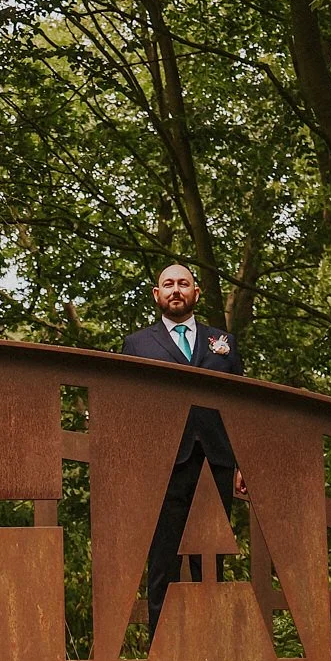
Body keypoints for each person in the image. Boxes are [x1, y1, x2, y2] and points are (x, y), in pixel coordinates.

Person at [120, 264, 245, 635]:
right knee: (163, 561)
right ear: (157, 294)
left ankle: (211, 646)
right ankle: (162, 649)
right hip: (162, 466)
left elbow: (241, 406)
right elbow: (128, 411)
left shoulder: (222, 342)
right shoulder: (137, 345)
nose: (176, 289)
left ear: (196, 292)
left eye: (183, 283)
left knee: (212, 560)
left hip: (217, 461)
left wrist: (243, 462)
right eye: (168, 284)